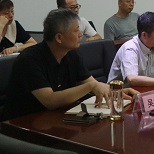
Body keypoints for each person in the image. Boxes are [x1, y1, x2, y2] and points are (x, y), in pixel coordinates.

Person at [2, 9, 138, 121]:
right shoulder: (30, 60)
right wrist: (91, 86)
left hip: (57, 117)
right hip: (23, 124)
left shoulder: (71, 53)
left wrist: (116, 92)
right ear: (59, 38)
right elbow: (50, 101)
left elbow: (92, 83)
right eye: (76, 30)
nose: (81, 34)